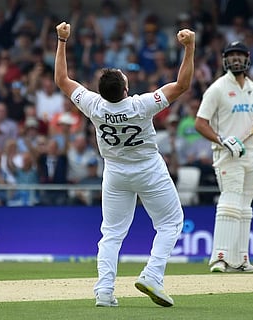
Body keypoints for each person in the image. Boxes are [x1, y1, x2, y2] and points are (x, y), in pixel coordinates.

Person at [54, 22, 195, 307]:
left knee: (111, 233)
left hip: (115, 172)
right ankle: (152, 275)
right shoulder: (141, 105)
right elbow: (182, 85)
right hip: (148, 168)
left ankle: (104, 292)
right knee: (170, 222)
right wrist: (190, 47)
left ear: (101, 90)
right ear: (126, 88)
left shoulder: (93, 105)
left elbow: (62, 80)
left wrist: (61, 40)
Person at [195, 41, 253, 273]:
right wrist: (222, 140)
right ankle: (220, 258)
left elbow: (251, 123)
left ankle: (240, 259)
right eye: (231, 56)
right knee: (230, 202)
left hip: (251, 152)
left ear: (247, 58)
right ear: (225, 60)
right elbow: (200, 123)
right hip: (228, 154)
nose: (235, 60)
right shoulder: (217, 89)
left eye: (239, 55)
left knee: (245, 208)